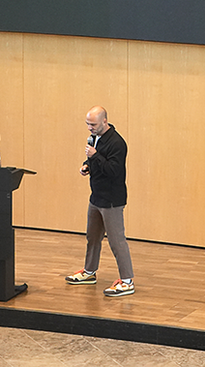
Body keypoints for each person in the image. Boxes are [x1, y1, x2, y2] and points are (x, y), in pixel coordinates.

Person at [65, 105, 135, 297]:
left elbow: (113, 171)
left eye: (93, 124)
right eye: (88, 124)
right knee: (93, 236)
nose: (90, 128)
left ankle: (127, 281)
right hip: (96, 197)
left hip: (112, 199)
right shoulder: (96, 138)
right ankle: (89, 272)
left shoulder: (117, 143)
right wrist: (87, 165)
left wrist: (94, 156)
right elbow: (94, 159)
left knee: (117, 240)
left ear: (105, 121)